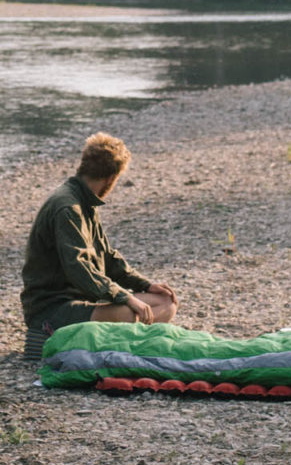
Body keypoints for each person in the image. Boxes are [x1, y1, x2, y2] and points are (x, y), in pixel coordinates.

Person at [20, 132, 178, 359]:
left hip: (82, 303)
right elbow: (80, 269)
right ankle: (52, 333)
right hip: (52, 308)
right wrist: (126, 297)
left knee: (166, 302)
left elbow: (108, 258)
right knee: (131, 314)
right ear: (111, 177)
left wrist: (146, 285)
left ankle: (100, 339)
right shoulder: (68, 208)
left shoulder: (85, 202)